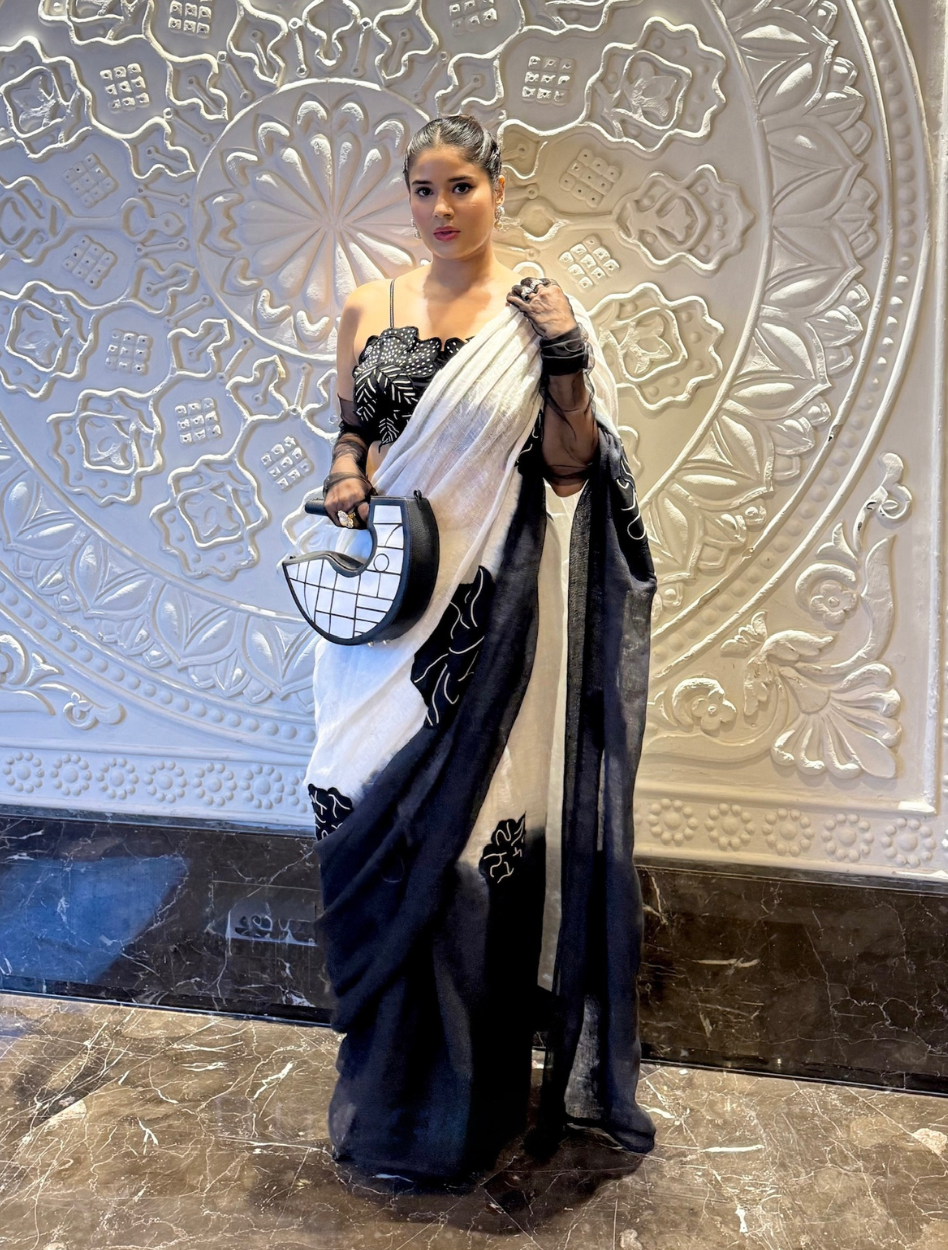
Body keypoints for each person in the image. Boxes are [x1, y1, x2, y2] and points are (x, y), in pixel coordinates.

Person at [304, 114, 657, 1186]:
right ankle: (380, 1106)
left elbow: (565, 470)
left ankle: (464, 1114)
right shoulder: (370, 305)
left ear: (497, 188)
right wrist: (345, 474)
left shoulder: (534, 311)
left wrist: (563, 354)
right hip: (375, 610)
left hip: (489, 613)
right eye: (421, 189)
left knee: (477, 834)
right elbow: (353, 431)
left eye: (459, 185)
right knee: (348, 790)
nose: (440, 208)